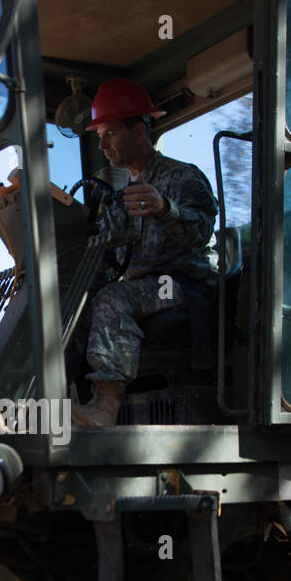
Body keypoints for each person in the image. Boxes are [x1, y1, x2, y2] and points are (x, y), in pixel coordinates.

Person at [72, 78, 218, 427]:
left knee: (112, 299)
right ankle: (73, 402)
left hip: (180, 285)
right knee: (73, 305)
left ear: (138, 131)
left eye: (110, 134)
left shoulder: (181, 177)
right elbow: (111, 252)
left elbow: (200, 232)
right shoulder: (120, 191)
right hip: (141, 286)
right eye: (99, 137)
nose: (103, 144)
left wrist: (164, 209)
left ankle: (105, 407)